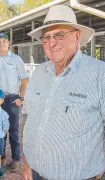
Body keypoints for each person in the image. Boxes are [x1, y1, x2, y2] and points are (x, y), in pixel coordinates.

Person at [23, 5, 105, 180]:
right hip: (35, 172)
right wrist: (27, 159)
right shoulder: (39, 72)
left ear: (77, 36)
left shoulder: (100, 74)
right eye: (46, 37)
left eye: (59, 35)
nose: (51, 43)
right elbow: (30, 117)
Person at [0, 32, 29, 171]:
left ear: (8, 43)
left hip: (12, 99)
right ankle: (1, 158)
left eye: (4, 41)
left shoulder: (16, 59)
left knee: (13, 130)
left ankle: (16, 159)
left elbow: (25, 79)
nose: (2, 43)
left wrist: (21, 97)